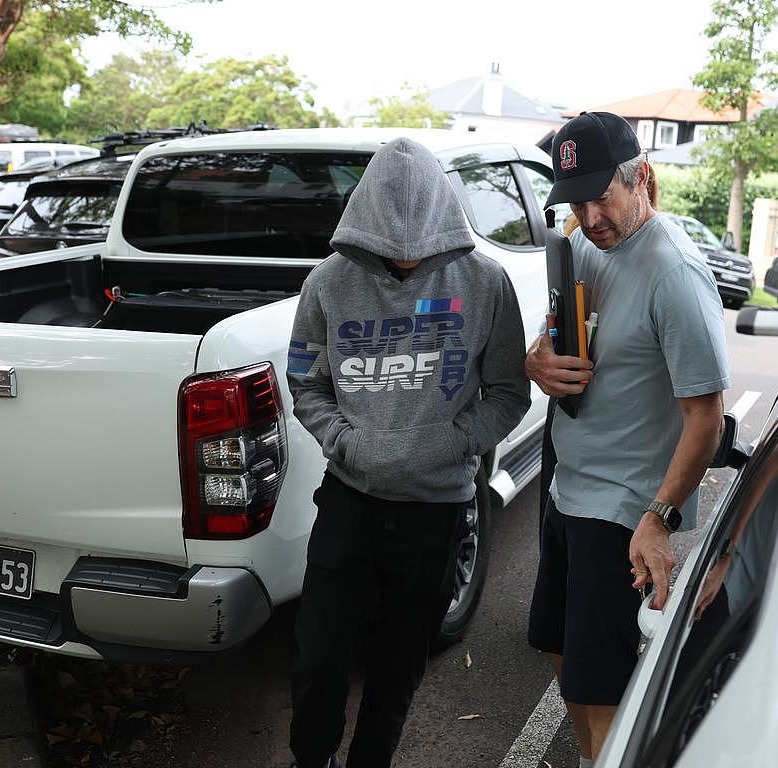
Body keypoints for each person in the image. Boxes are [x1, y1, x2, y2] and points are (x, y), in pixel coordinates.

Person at [286, 137, 531, 768]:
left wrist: (453, 444)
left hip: (436, 512)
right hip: (348, 503)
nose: (402, 257)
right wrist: (342, 439)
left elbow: (508, 392)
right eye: (388, 249)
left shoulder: (485, 283)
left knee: (397, 673)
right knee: (318, 665)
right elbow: (306, 379)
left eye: (416, 249)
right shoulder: (328, 284)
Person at [525, 112, 729, 765]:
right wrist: (538, 364)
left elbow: (708, 417)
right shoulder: (585, 246)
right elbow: (554, 338)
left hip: (621, 514)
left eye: (600, 197)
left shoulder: (675, 273)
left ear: (641, 177)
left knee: (607, 689)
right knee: (563, 657)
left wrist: (658, 518)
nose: (588, 217)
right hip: (566, 491)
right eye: (575, 201)